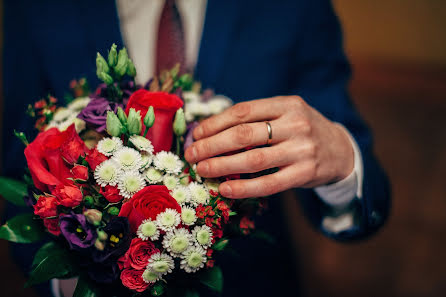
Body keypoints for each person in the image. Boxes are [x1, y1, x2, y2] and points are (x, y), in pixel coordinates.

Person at [2, 0, 390, 296]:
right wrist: (74, 277)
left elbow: (362, 178)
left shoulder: (293, 9)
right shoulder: (36, 8)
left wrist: (343, 162)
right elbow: (16, 170)